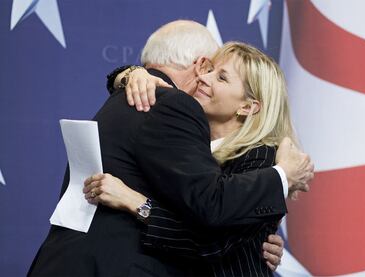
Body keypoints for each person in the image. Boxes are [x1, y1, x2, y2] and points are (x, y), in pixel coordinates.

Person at [28, 20, 313, 277]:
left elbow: (214, 241)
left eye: (220, 76)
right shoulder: (178, 122)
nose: (205, 78)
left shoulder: (261, 157)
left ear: (248, 106)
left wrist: (136, 203)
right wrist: (129, 73)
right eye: (208, 70)